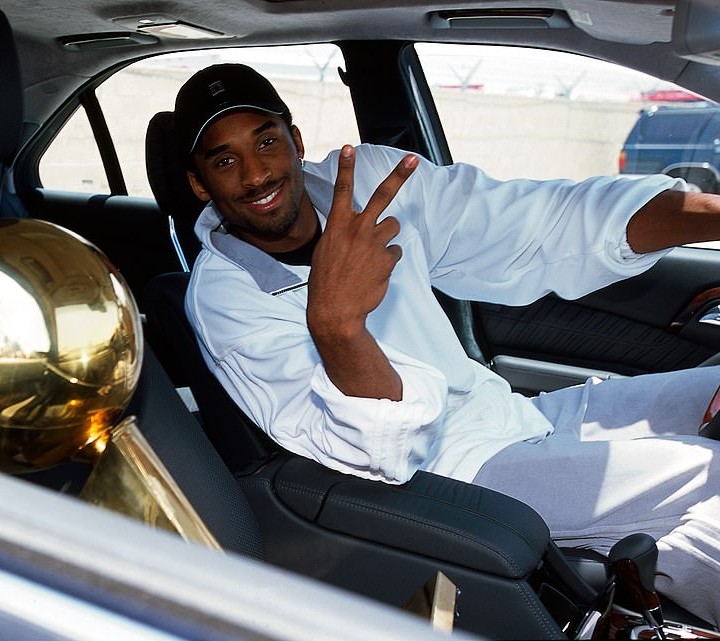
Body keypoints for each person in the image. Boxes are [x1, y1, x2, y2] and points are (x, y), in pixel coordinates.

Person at [174, 62, 720, 625]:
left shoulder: (369, 183)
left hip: (512, 416)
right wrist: (338, 326)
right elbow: (371, 455)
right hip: (455, 476)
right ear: (199, 184)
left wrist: (711, 217)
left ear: (295, 139)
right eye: (224, 160)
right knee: (713, 472)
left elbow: (537, 222)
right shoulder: (223, 299)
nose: (256, 173)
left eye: (266, 141)